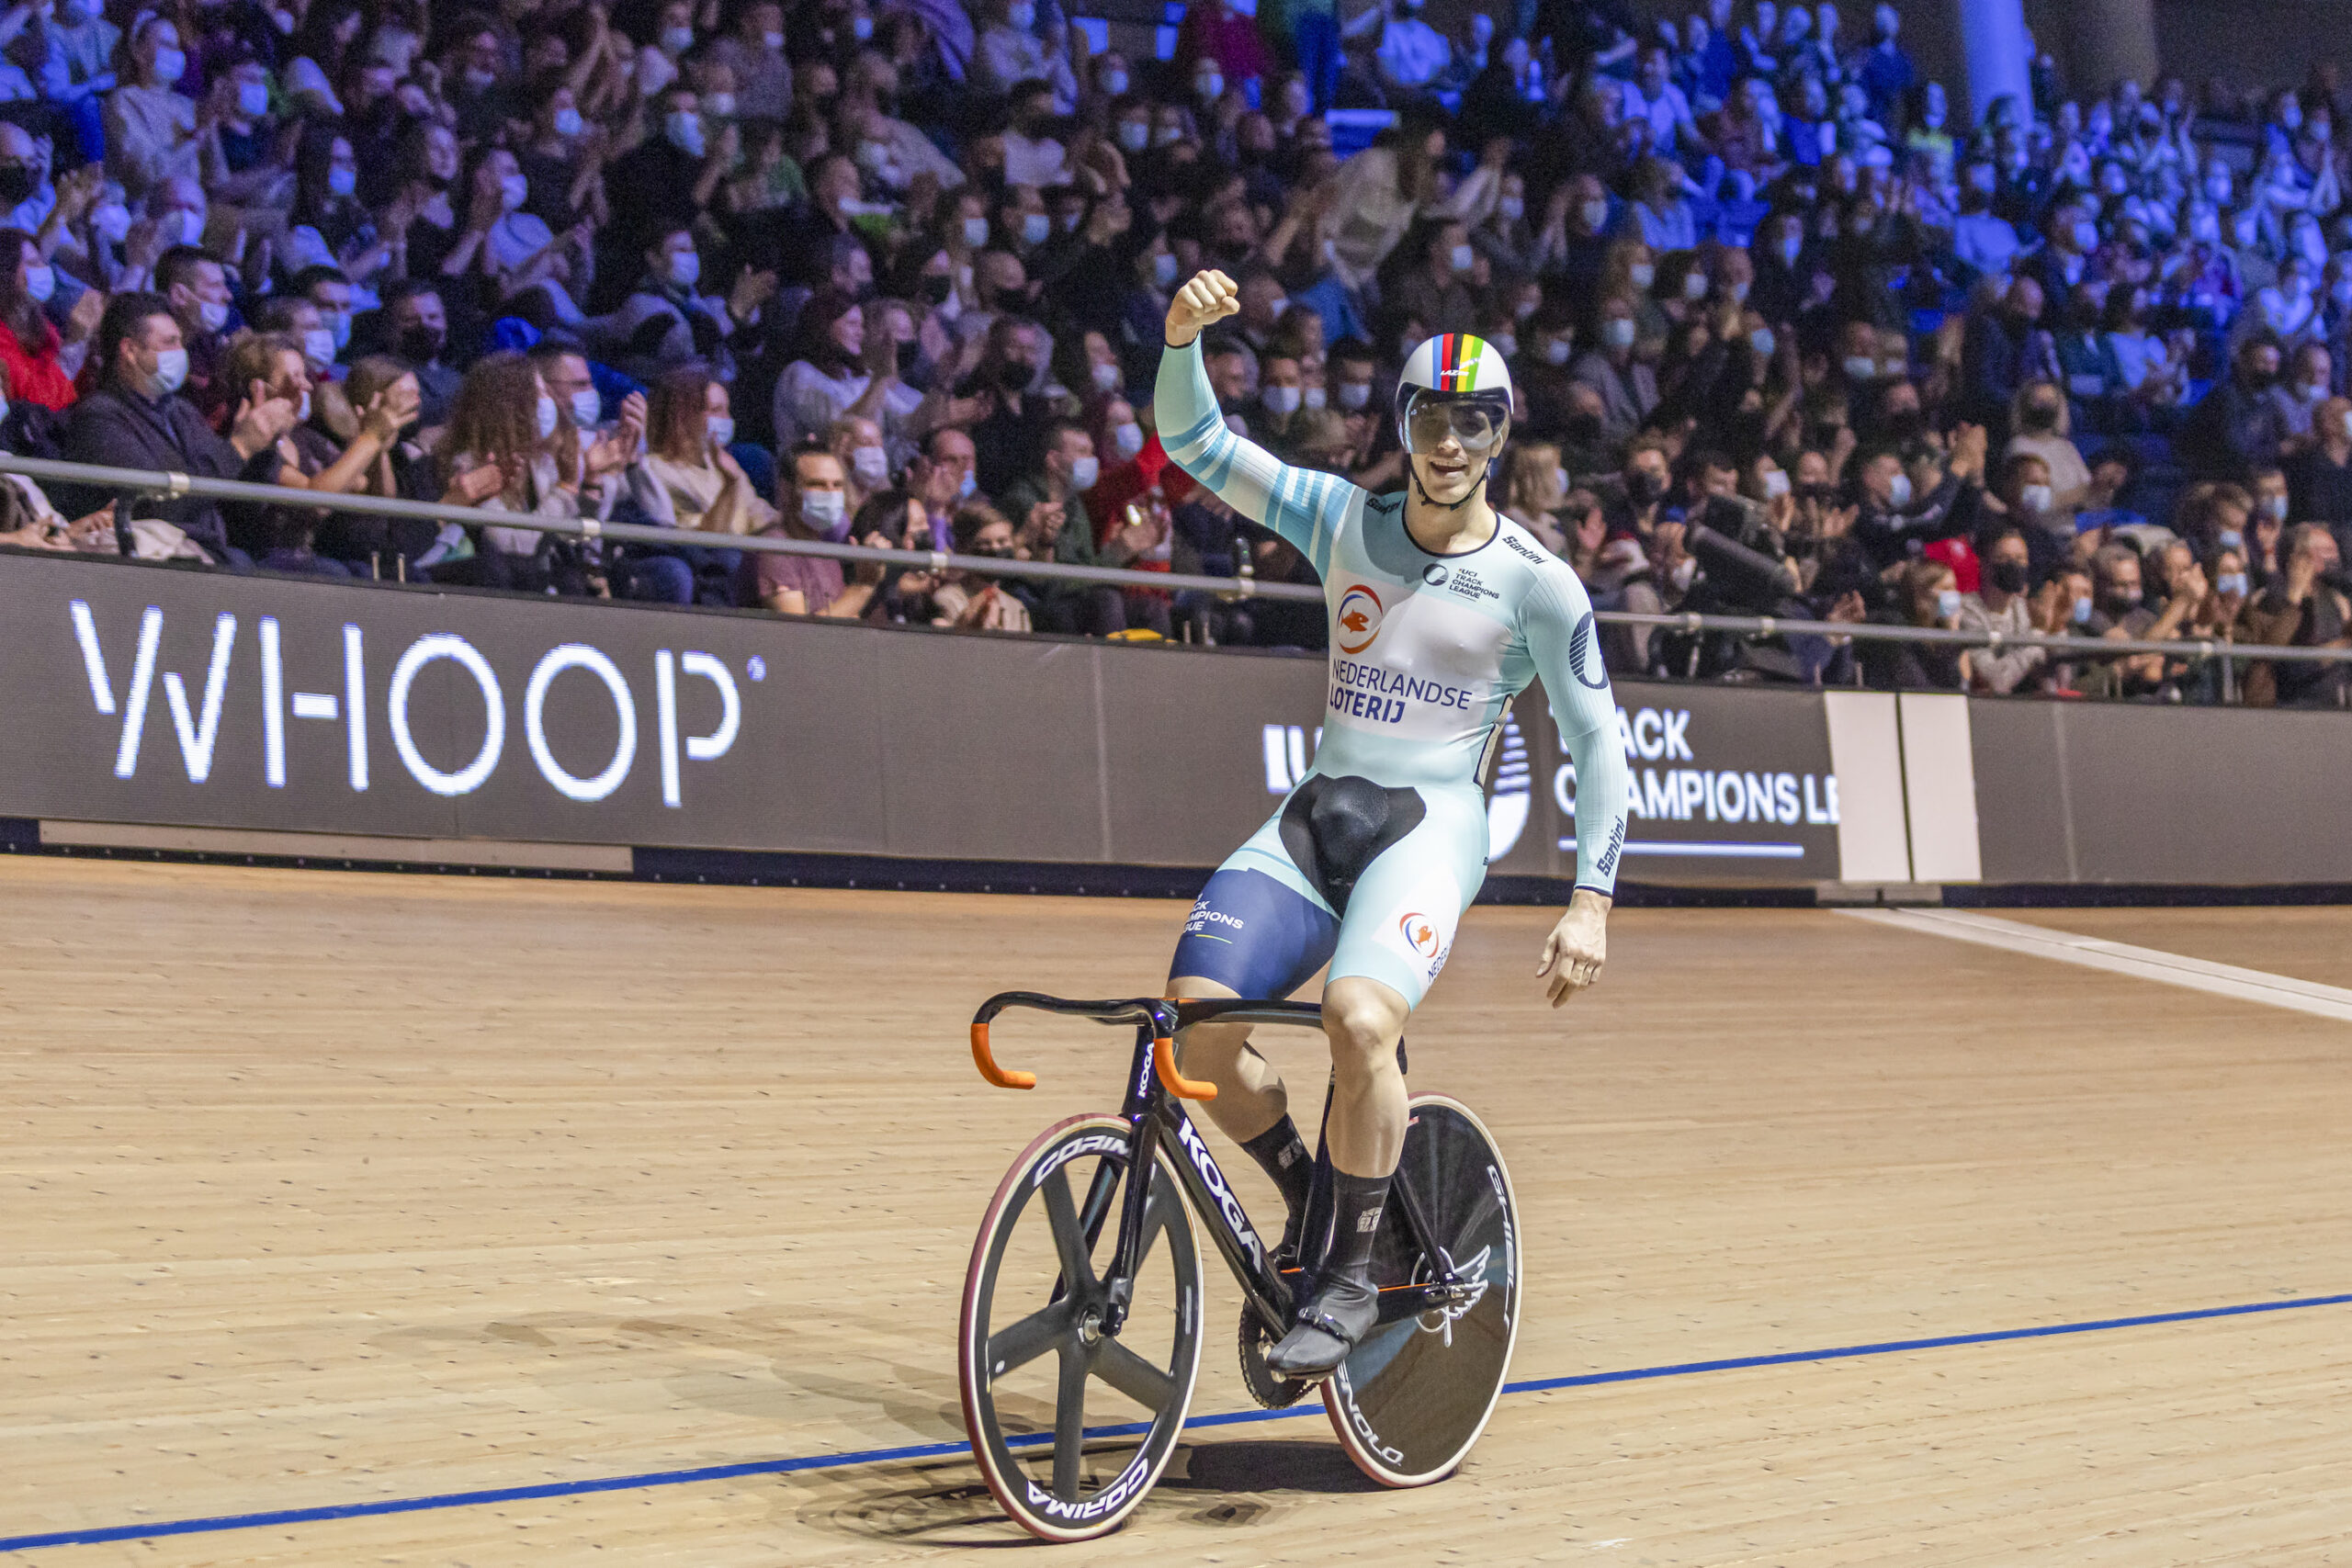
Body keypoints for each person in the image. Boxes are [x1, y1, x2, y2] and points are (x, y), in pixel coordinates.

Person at [1154, 268, 1629, 1378]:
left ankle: (1351, 1276)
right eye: (1430, 420)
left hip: (1430, 830)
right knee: (1195, 1032)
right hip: (1316, 815)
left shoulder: (1537, 582)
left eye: (1472, 423)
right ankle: (1313, 1190)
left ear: (1499, 435)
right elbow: (1199, 445)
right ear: (1402, 425)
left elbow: (1598, 740)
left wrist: (1591, 903)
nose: (1449, 444)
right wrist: (1180, 343)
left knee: (1358, 1019)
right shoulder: (1340, 518)